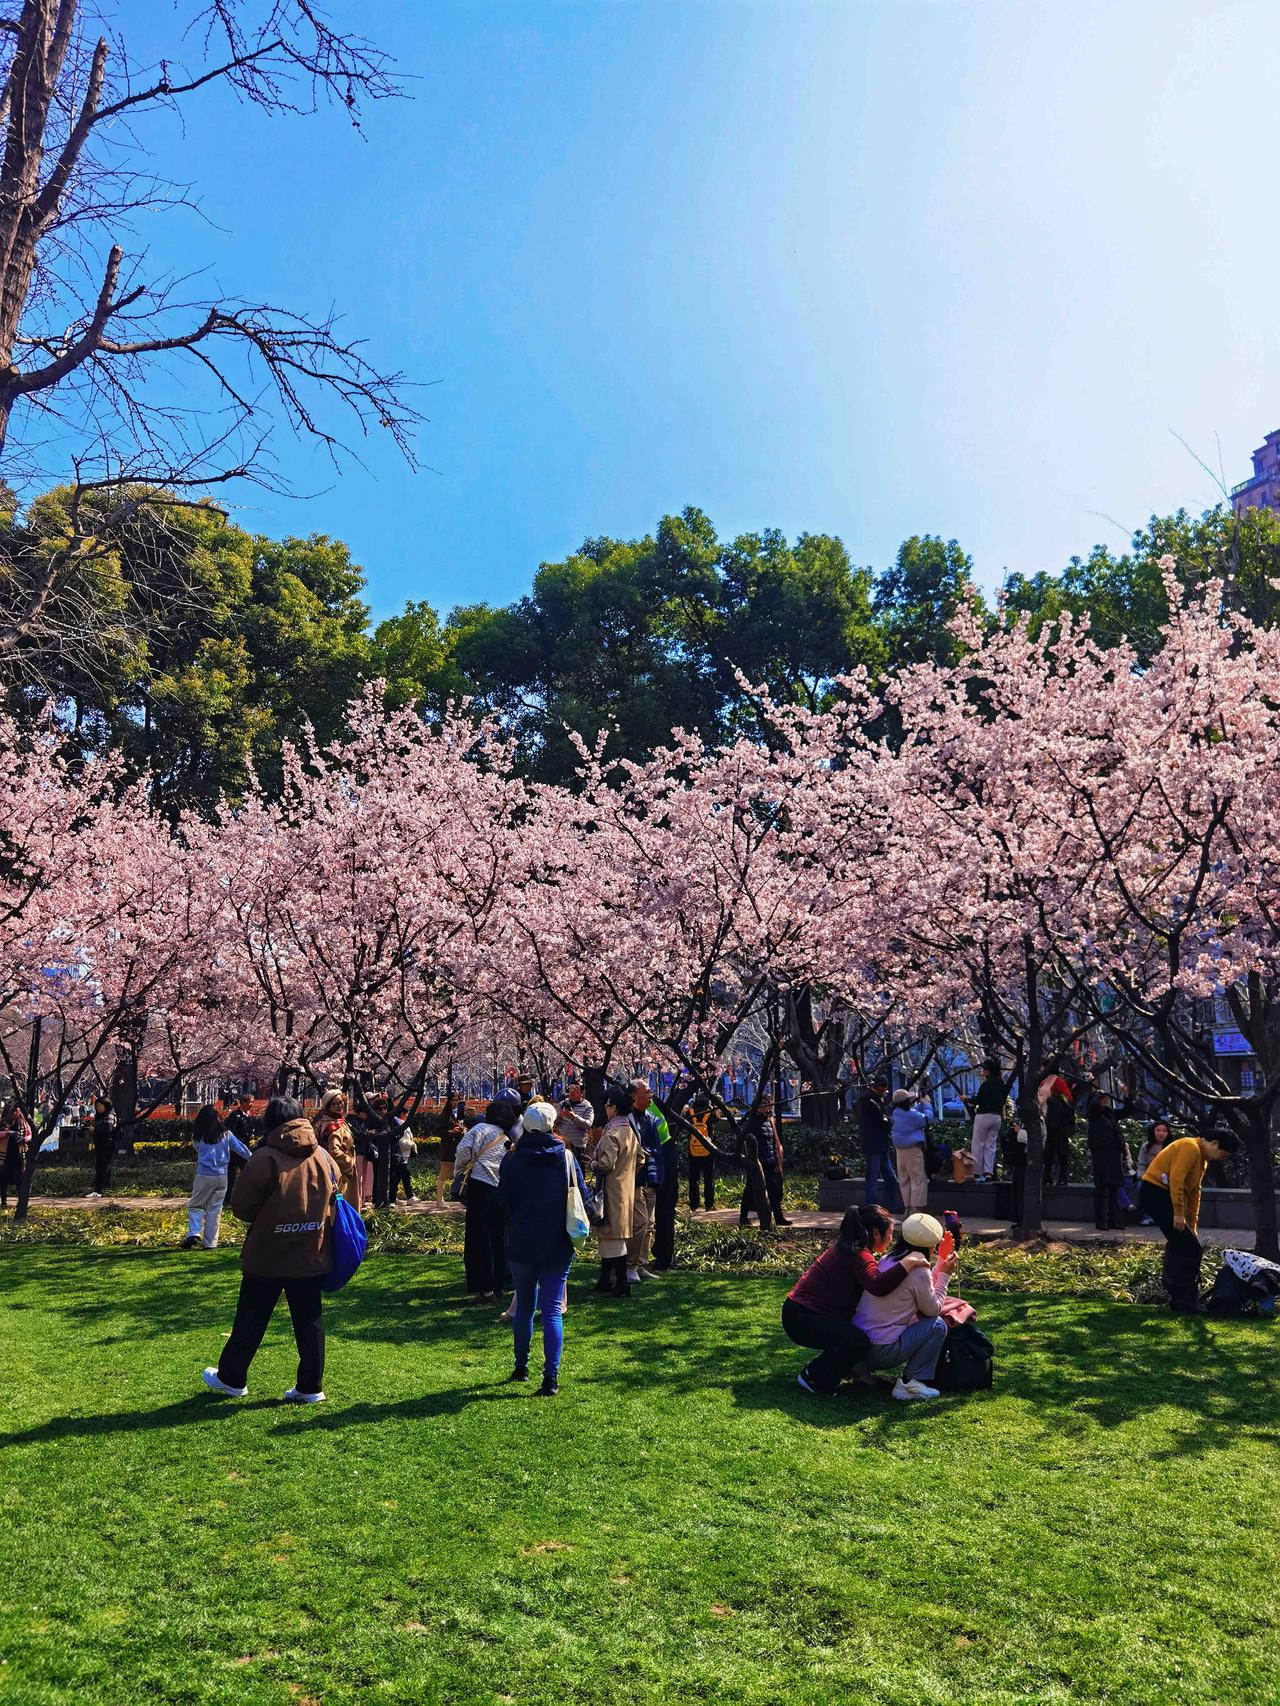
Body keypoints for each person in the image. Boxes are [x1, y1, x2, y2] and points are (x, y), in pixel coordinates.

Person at [200, 1096, 338, 1402]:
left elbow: (242, 1207)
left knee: (251, 1316)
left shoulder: (265, 1157)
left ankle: (232, 1377)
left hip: (269, 1252)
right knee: (309, 1320)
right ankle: (310, 1386)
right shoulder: (322, 1155)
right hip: (311, 1250)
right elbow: (335, 1187)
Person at [783, 1204, 929, 1395]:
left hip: (802, 1312)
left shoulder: (852, 1247)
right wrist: (908, 1262)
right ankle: (814, 1376)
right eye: (890, 1233)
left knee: (852, 1337)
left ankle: (850, 1372)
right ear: (876, 1232)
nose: (891, 1238)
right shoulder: (858, 1253)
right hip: (803, 1316)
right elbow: (877, 1286)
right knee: (856, 1341)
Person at [497, 1100, 589, 1397]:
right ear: (552, 1125)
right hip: (557, 1243)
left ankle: (521, 1366)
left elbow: (502, 1201)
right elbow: (584, 1197)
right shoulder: (566, 1157)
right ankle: (550, 1377)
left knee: (524, 1308)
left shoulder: (512, 1159)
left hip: (522, 1241)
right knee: (551, 1310)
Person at [852, 1211, 955, 1401]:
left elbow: (923, 1287)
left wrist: (941, 1260)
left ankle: (861, 1368)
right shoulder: (918, 1270)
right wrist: (945, 1275)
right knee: (937, 1325)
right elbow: (932, 1308)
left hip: (858, 1345)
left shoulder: (889, 1259)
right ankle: (910, 1382)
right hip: (881, 1352)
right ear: (932, 1245)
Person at [1139, 1128, 1238, 1312]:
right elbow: (1177, 1179)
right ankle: (1182, 1299)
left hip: (1161, 1195)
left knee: (1185, 1244)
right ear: (1214, 1143)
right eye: (1222, 1154)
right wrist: (1178, 1214)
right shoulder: (1189, 1147)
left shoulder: (1201, 1159)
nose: (1220, 1159)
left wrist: (1192, 1225)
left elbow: (1194, 1193)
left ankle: (1182, 1299)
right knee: (1187, 1247)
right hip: (1156, 1194)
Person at [455, 1098, 516, 1301]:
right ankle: (499, 1285)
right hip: (500, 1189)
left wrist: (461, 1169)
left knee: (479, 1238)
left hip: (480, 1187)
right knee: (499, 1237)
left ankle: (484, 1288)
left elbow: (462, 1151)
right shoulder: (507, 1138)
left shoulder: (480, 1129)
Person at [181, 1104, 251, 1250]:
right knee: (215, 1209)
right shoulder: (226, 1134)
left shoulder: (198, 1135)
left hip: (203, 1175)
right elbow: (241, 1149)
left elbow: (197, 1148)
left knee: (196, 1205)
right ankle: (210, 1243)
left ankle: (194, 1232)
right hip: (222, 1176)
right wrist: (254, 1158)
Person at [592, 1085, 638, 1296]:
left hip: (611, 1191)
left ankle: (621, 1283)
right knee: (615, 1237)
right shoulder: (629, 1131)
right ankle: (606, 1280)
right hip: (626, 1190)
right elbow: (641, 1158)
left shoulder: (612, 1133)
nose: (605, 1108)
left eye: (607, 1105)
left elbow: (606, 1164)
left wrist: (592, 1164)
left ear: (613, 1107)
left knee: (611, 1237)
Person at [739, 1092, 791, 1229]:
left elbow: (774, 1142)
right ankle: (743, 1216)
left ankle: (778, 1216)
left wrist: (778, 1161)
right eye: (762, 1103)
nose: (765, 1106)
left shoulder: (769, 1121)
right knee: (750, 1189)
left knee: (775, 1190)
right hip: (757, 1163)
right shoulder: (751, 1122)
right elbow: (746, 1142)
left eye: (767, 1103)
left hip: (770, 1161)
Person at [627, 1079, 661, 1281]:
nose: (651, 1095)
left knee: (649, 1224)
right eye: (646, 1092)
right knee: (639, 1224)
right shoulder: (627, 1119)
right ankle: (630, 1265)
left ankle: (640, 1264)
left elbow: (657, 1147)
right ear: (633, 1095)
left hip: (650, 1177)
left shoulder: (650, 1118)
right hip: (634, 1179)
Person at [1085, 1088, 1128, 1231]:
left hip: (1113, 1153)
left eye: (1106, 1098)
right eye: (1102, 1099)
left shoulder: (1110, 1114)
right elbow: (1092, 1105)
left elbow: (1126, 1111)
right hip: (1101, 1154)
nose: (1105, 1101)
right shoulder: (1094, 1114)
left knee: (1114, 1188)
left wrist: (1127, 1096)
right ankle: (1101, 1221)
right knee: (1102, 1188)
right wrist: (1098, 1093)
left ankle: (1114, 1221)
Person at [859, 1080, 901, 1211]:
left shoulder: (873, 1100)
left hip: (879, 1146)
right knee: (873, 1180)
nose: (885, 1093)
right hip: (874, 1146)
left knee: (890, 1180)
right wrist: (888, 1122)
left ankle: (887, 1209)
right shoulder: (870, 1101)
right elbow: (880, 1121)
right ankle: (872, 1210)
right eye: (884, 1090)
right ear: (879, 1088)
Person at [314, 1089, 359, 1208]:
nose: (339, 1106)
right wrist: (349, 1163)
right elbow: (334, 1151)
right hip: (341, 1174)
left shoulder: (322, 1122)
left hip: (326, 1170)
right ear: (328, 1106)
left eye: (340, 1102)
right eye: (334, 1104)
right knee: (342, 1206)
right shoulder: (334, 1126)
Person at [889, 1089, 930, 1213]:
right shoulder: (912, 1116)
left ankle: (907, 1207)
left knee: (904, 1179)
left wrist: (920, 1104)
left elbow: (913, 1113)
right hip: (913, 1150)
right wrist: (926, 1104)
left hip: (899, 1150)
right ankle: (916, 1208)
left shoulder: (895, 1114)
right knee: (917, 1178)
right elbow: (926, 1118)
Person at [970, 1060, 1006, 1183]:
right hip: (996, 1117)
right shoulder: (1001, 1083)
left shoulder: (986, 1084)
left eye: (984, 1069)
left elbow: (978, 1100)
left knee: (978, 1143)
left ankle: (976, 1171)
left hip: (983, 1116)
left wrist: (967, 1099)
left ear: (989, 1071)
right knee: (990, 1145)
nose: (983, 1071)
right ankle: (988, 1172)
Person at [1040, 1070, 1075, 1188]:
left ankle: (1058, 1176)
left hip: (1058, 1123)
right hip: (1051, 1122)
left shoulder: (1056, 1082)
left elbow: (1067, 1101)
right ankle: (1051, 1176)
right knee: (1050, 1151)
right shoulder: (1048, 1082)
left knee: (1058, 1151)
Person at [223, 1093, 259, 1206]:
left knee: (248, 1173)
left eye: (252, 1102)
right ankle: (227, 1198)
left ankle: (246, 1197)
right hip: (235, 1150)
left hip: (245, 1148)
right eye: (249, 1102)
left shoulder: (249, 1116)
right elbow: (230, 1133)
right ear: (243, 1103)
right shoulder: (235, 1116)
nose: (251, 1104)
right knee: (231, 1174)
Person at [1135, 1119, 1172, 1224]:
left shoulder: (1171, 1147)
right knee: (1141, 1188)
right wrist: (1142, 1176)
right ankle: (1147, 1216)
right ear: (1153, 1132)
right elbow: (1141, 1164)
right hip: (1149, 1176)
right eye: (1158, 1130)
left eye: (1164, 1131)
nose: (1161, 1133)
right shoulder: (1146, 1146)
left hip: (1166, 1177)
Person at [432, 1093, 465, 1206]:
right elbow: (439, 1132)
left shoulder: (456, 1114)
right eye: (453, 1100)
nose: (455, 1102)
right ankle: (439, 1200)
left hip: (456, 1148)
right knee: (443, 1174)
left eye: (457, 1100)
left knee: (455, 1174)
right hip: (448, 1149)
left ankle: (446, 1198)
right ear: (449, 1101)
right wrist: (452, 1132)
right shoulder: (445, 1115)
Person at [686, 1095, 718, 1211]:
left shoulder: (690, 1112)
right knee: (709, 1178)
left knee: (693, 1179)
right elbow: (718, 1118)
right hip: (708, 1150)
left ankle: (693, 1205)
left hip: (693, 1150)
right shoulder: (711, 1113)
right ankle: (709, 1204)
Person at [0, 1103, 31, 1210]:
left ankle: (20, 1202)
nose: (14, 1113)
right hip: (5, 1155)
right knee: (3, 1179)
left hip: (18, 1156)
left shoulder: (23, 1123)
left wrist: (24, 1139)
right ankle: (3, 1201)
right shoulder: (2, 1123)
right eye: (12, 1111)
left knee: (19, 1179)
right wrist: (8, 1133)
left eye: (16, 1111)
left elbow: (30, 1135)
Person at [87, 1095, 117, 1198]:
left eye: (100, 1106)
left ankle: (98, 1190)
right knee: (101, 1165)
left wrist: (95, 1129)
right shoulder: (101, 1116)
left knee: (103, 1166)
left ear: (107, 1106)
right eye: (97, 1106)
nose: (98, 1108)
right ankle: (105, 1186)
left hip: (107, 1144)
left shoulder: (110, 1116)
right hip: (101, 1144)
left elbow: (107, 1129)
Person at [389, 1109, 417, 1202]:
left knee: (398, 1177)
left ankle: (392, 1197)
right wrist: (412, 1144)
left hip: (405, 1155)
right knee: (404, 1175)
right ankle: (410, 1196)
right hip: (401, 1155)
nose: (408, 1115)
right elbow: (401, 1141)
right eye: (406, 1113)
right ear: (402, 1113)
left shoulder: (404, 1124)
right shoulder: (400, 1124)